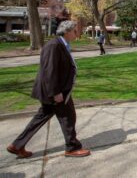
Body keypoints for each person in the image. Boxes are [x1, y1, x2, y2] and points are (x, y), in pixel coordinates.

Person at [6, 21, 90, 159]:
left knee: (41, 117)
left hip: (56, 91)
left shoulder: (61, 44)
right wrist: (56, 93)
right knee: (68, 117)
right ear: (67, 31)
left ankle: (17, 145)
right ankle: (72, 147)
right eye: (75, 31)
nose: (77, 34)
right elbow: (49, 71)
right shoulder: (54, 46)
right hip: (55, 92)